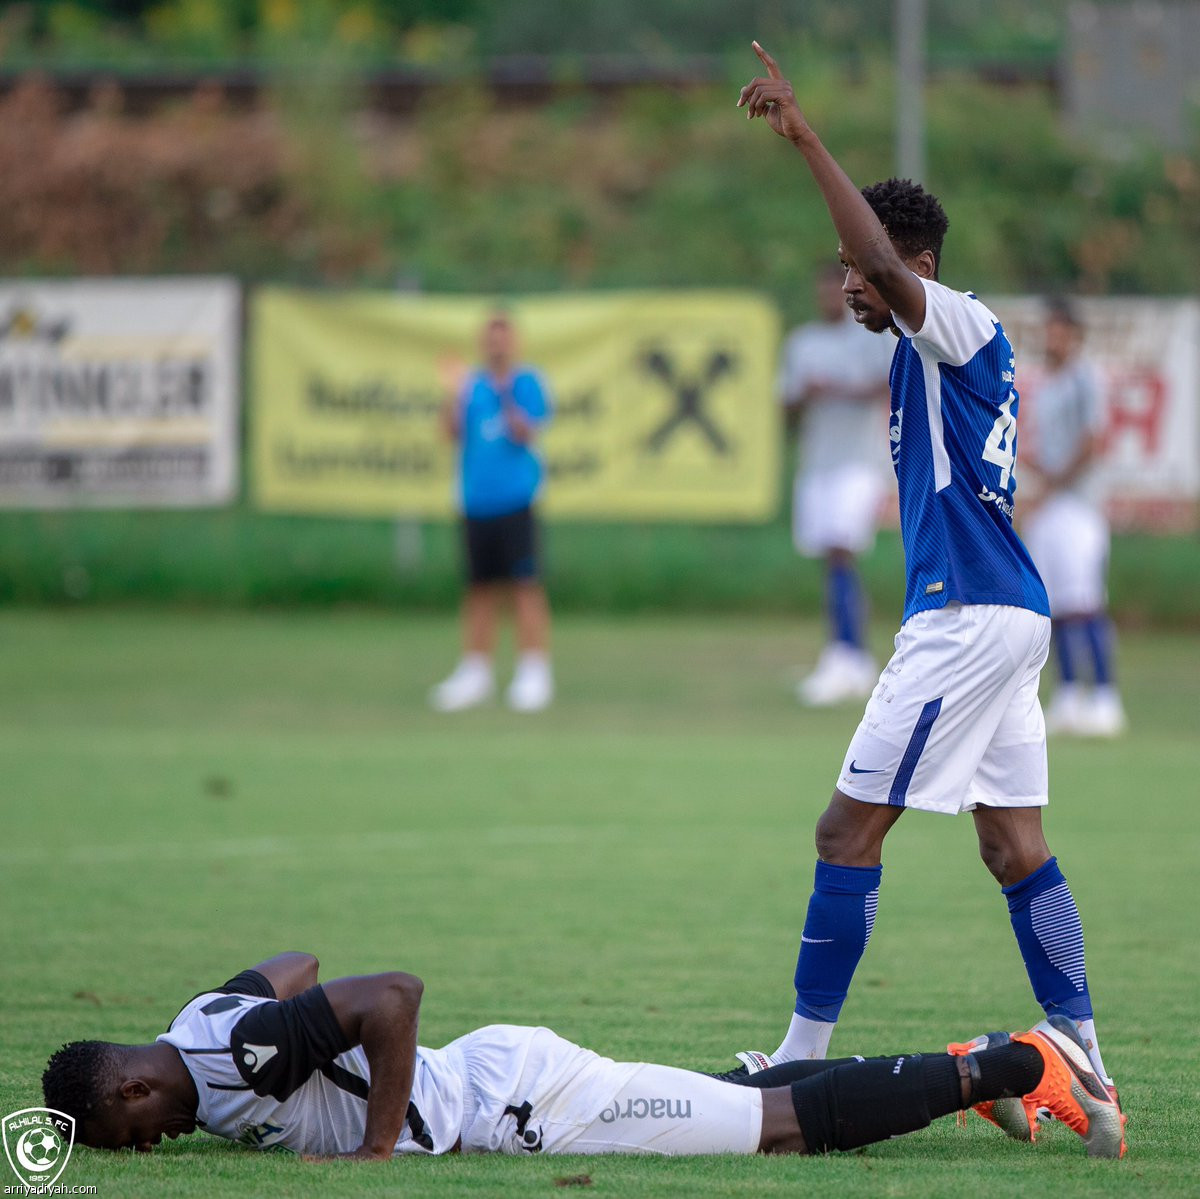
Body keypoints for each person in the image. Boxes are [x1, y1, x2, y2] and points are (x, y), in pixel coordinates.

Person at [733, 42, 1121, 1111]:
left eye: (865, 267)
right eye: (850, 270)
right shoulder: (919, 350)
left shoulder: (959, 324)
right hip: (1006, 612)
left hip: (968, 618)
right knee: (1012, 842)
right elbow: (879, 270)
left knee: (843, 830)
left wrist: (805, 135)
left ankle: (798, 1057)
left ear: (919, 269)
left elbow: (889, 268)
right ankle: (1084, 1059)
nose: (851, 280)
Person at [41, 951, 1124, 1160]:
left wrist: (378, 1142)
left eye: (130, 1135)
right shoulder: (197, 1027)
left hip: (527, 1101)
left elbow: (390, 993)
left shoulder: (229, 1052)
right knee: (737, 1094)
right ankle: (961, 1060)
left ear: (133, 1085)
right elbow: (289, 960)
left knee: (769, 1129)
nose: (148, 1147)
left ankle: (1016, 1061)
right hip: (508, 1084)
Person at [778, 263, 894, 706]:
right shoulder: (802, 342)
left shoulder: (869, 337)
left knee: (843, 551)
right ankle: (846, 654)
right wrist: (805, 396)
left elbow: (885, 386)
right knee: (830, 558)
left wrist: (835, 390)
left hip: (858, 462)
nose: (831, 298)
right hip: (818, 463)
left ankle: (849, 654)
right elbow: (786, 406)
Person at [429, 312, 554, 713]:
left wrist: (504, 394)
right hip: (475, 500)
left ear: (514, 343)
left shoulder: (526, 383)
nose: (497, 346)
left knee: (524, 585)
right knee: (479, 588)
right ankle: (475, 672)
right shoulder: (470, 387)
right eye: (491, 339)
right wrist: (451, 394)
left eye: (504, 339)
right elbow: (450, 434)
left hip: (516, 499)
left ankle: (533, 671)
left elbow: (526, 432)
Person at [1022, 300, 1126, 737]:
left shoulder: (1086, 379)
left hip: (1078, 504)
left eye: (1059, 331)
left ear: (1075, 336)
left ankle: (1105, 694)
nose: (1052, 339)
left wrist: (1055, 482)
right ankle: (1067, 692)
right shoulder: (1046, 385)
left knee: (1085, 602)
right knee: (1055, 605)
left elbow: (1092, 440)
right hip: (1050, 505)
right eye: (1048, 331)